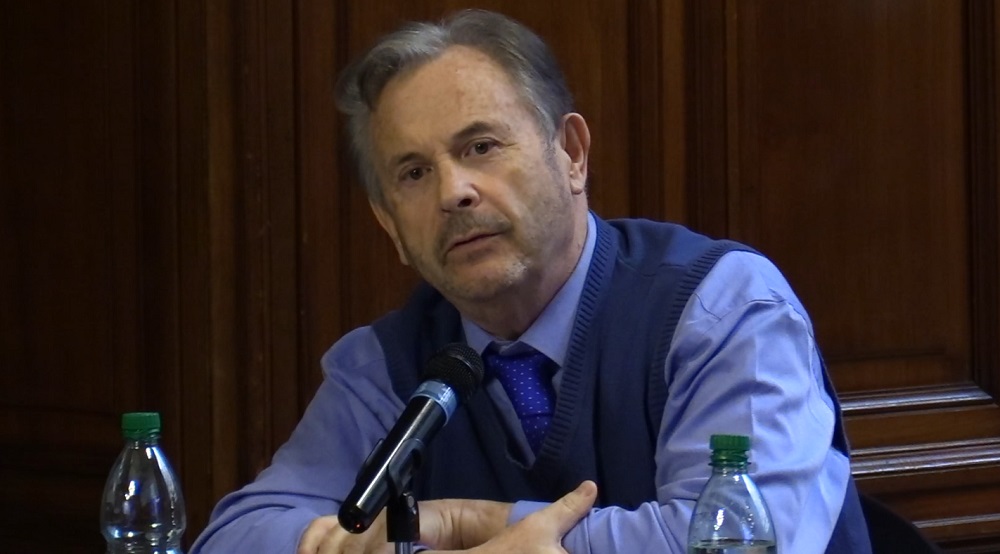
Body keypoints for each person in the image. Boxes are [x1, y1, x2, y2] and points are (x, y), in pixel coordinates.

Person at [191, 9, 871, 554]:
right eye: (414, 173)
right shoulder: (387, 367)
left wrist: (468, 522)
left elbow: (737, 542)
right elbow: (236, 536)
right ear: (389, 224)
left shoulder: (722, 308)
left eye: (480, 147)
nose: (454, 192)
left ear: (571, 154)